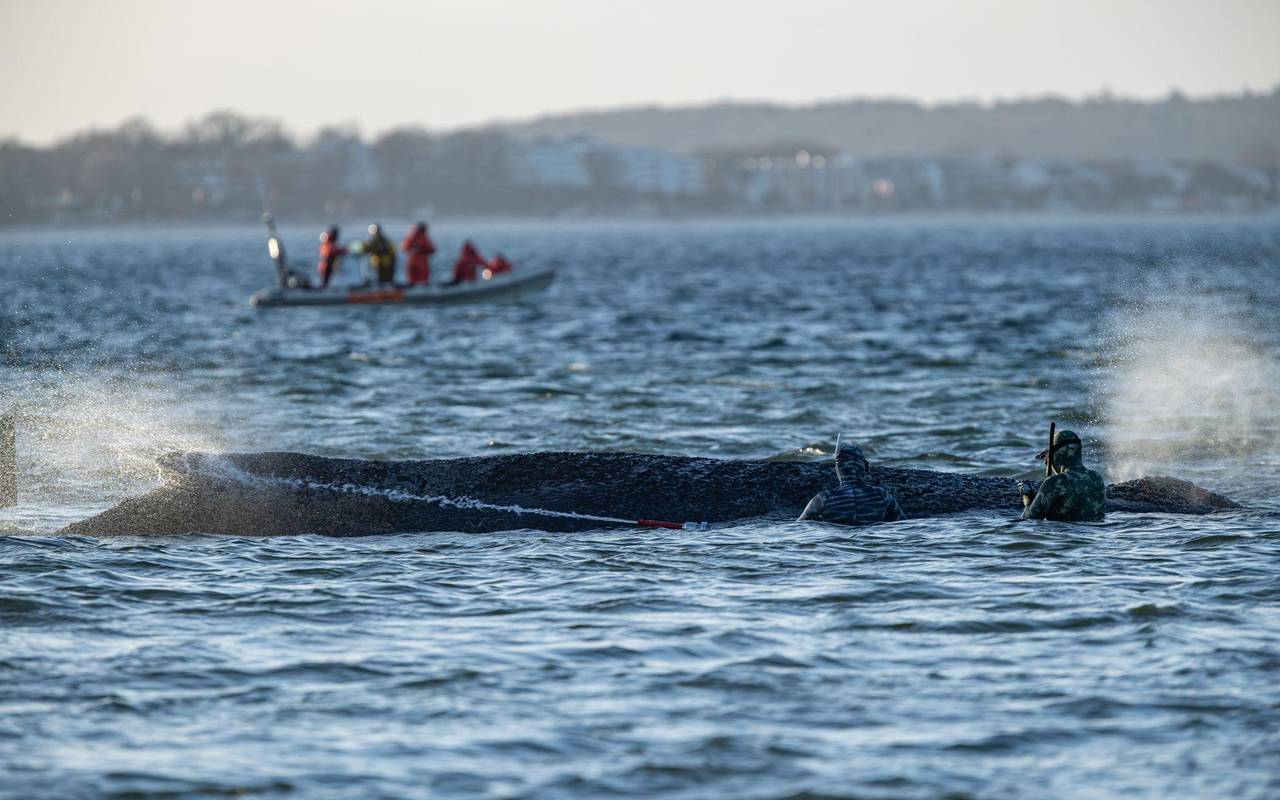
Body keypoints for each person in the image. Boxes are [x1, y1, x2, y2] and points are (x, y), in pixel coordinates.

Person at [798, 435, 906, 526]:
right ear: (865, 467)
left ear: (838, 469)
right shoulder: (882, 495)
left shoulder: (823, 499)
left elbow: (799, 528)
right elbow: (903, 526)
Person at [1018, 429, 1106, 521]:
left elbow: (1030, 518)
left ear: (1058, 454)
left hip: (1062, 529)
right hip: (1092, 529)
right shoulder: (1097, 478)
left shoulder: (1055, 482)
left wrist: (1027, 497)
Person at [401, 222, 437, 286]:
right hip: (421, 264)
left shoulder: (411, 237)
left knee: (412, 282)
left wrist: (420, 248)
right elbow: (432, 249)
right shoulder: (424, 238)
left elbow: (404, 247)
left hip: (412, 263)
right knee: (423, 282)